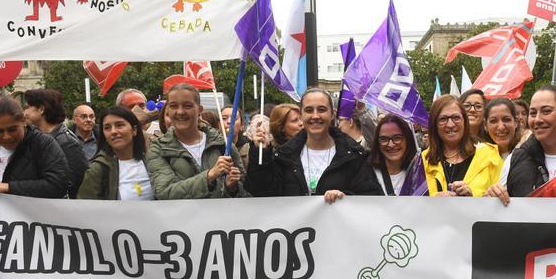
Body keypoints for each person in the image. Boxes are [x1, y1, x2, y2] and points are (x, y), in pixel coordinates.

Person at [245, 88, 381, 202]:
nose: (315, 116)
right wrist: (260, 153)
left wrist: (345, 199)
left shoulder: (355, 155)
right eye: (309, 110)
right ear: (302, 115)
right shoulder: (283, 156)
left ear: (332, 115)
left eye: (321, 109)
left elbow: (370, 198)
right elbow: (262, 193)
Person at [0, 95, 68, 198]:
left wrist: (7, 187)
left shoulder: (43, 143)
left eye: (12, 129)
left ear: (23, 121)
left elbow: (58, 185)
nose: (6, 137)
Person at [146, 83, 245, 199]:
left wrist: (231, 188)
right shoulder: (158, 149)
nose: (180, 112)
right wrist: (209, 176)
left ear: (199, 110)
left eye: (187, 106)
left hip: (220, 215)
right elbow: (165, 193)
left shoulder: (223, 145)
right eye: (173, 106)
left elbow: (244, 190)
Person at [423, 95, 502, 197]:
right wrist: (434, 200)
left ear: (465, 121)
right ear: (434, 124)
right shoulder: (423, 162)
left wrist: (473, 195)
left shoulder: (490, 155)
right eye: (443, 119)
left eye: (456, 118)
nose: (450, 124)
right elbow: (413, 204)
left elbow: (502, 198)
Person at [23, 88, 89, 198]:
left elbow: (76, 182)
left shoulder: (67, 142)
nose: (25, 113)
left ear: (41, 109)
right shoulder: (39, 138)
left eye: (28, 107)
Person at [78, 107, 154, 200]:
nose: (113, 131)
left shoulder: (153, 161)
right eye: (107, 128)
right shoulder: (98, 169)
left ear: (134, 130)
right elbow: (85, 208)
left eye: (119, 125)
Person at [369, 114, 418, 196]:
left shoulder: (421, 173)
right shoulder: (365, 172)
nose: (391, 144)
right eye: (384, 139)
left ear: (408, 139)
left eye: (397, 138)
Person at [480, 98, 519, 188]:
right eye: (493, 121)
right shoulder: (476, 156)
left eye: (506, 119)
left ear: (516, 122)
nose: (501, 127)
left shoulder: (528, 153)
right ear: (485, 125)